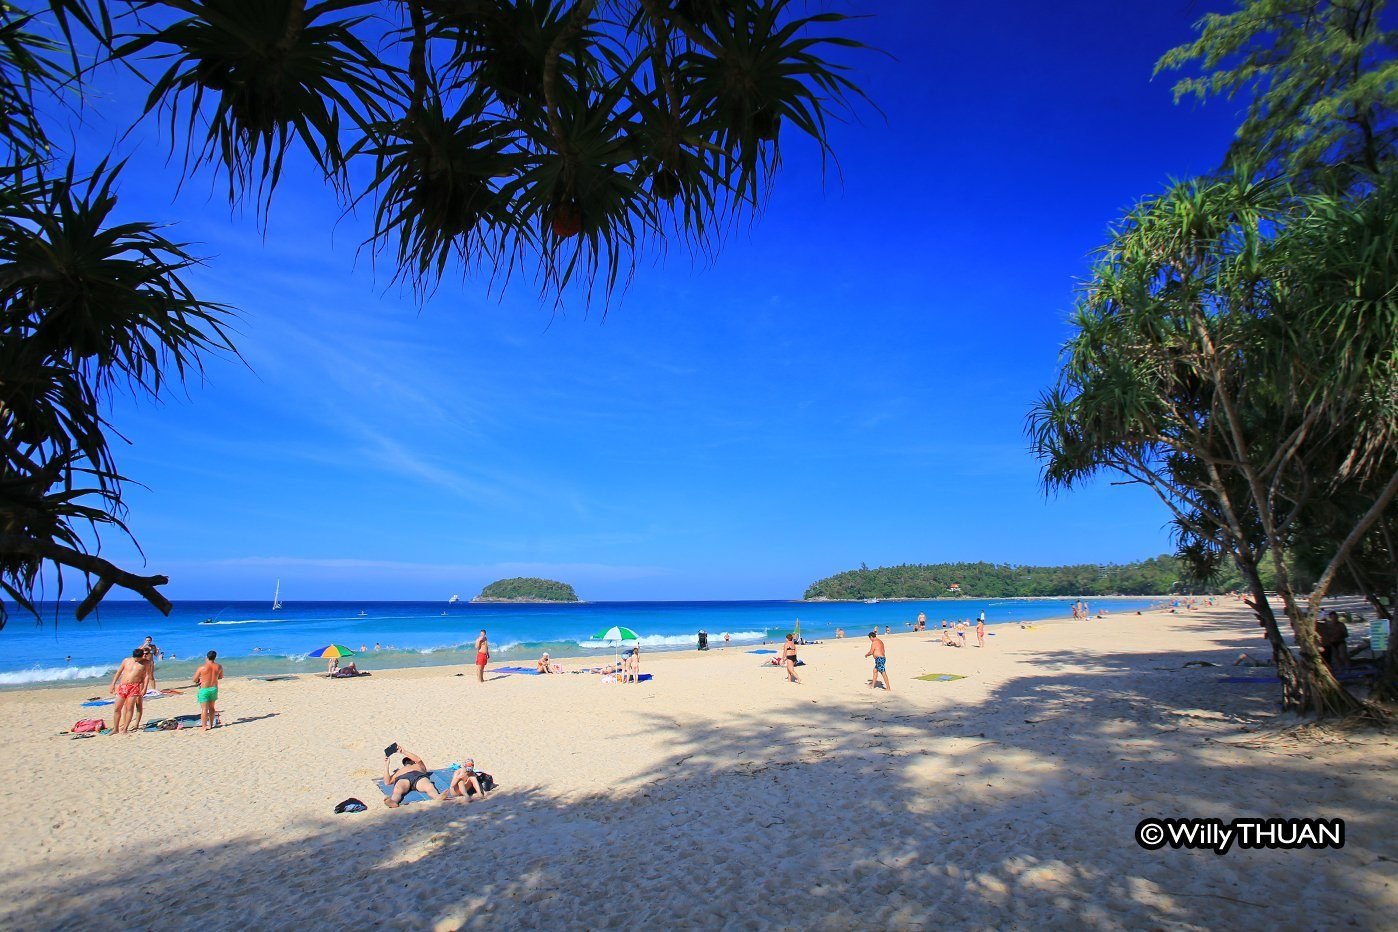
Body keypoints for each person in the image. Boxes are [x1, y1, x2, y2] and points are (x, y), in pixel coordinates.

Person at [108, 649, 148, 735]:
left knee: (130, 708)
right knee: (117, 708)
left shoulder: (145, 663)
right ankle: (115, 728)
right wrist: (113, 684)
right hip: (123, 686)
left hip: (134, 687)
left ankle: (125, 728)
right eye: (135, 658)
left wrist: (144, 688)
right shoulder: (126, 660)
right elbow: (119, 672)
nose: (136, 660)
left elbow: (146, 676)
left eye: (138, 658)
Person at [193, 650, 224, 731]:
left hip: (204, 689)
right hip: (213, 688)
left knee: (204, 709)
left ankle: (204, 726)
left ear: (207, 657)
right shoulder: (219, 666)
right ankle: (211, 724)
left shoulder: (202, 668)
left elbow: (194, 679)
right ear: (215, 657)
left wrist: (200, 680)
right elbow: (220, 677)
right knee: (212, 707)